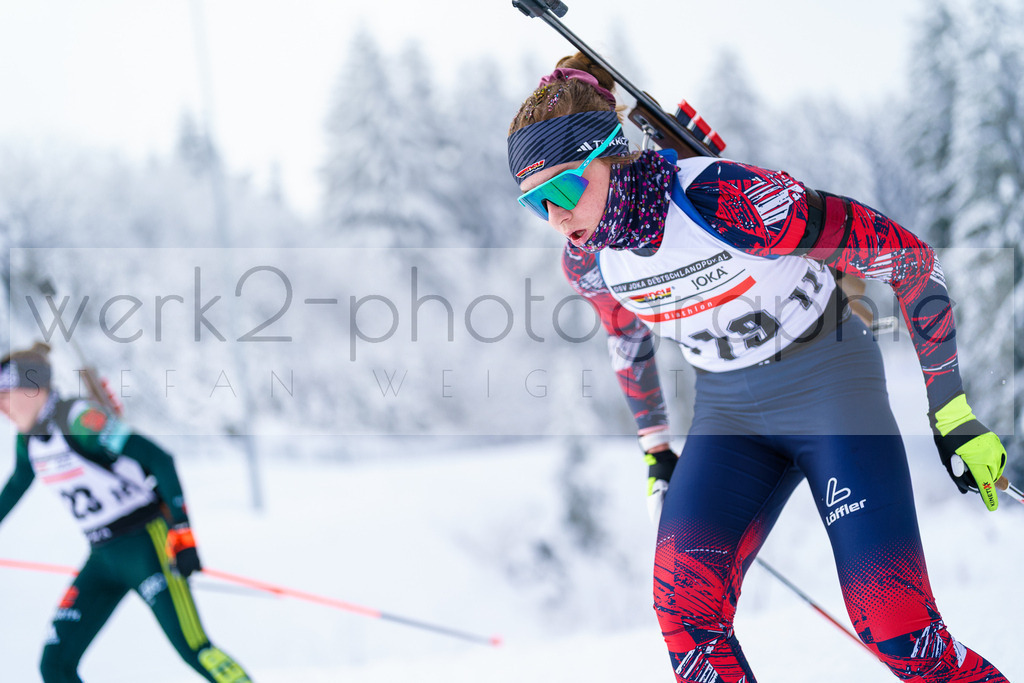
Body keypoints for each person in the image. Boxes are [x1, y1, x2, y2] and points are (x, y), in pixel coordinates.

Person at [507, 55, 1009, 682]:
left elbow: (909, 261)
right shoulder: (589, 263)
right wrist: (656, 452)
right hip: (729, 414)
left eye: (562, 189)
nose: (555, 218)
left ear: (612, 151)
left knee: (896, 626)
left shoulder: (727, 199)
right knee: (686, 620)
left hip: (830, 385)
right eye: (535, 204)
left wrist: (953, 411)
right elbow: (627, 344)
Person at [0, 342, 253, 683]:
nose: (2, 407)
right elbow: (16, 486)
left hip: (147, 545)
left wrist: (182, 531)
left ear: (33, 390)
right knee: (55, 664)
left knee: (195, 649)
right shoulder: (28, 440)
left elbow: (158, 459)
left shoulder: (78, 420)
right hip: (103, 556)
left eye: (5, 394)